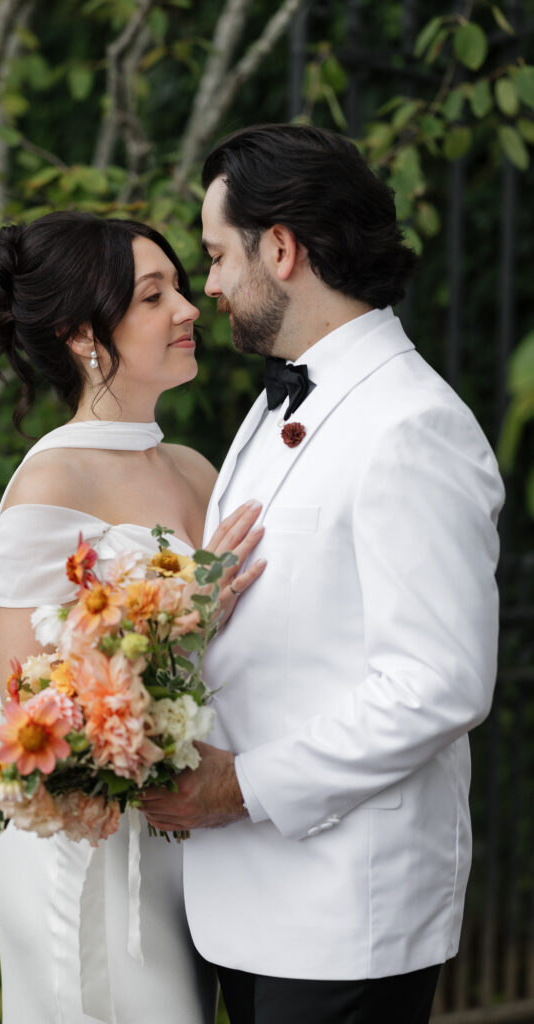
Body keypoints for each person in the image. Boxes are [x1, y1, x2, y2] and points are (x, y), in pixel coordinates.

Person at [140, 124, 505, 1024]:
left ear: (281, 249)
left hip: (347, 908)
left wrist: (242, 785)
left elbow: (439, 682)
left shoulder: (410, 423)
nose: (209, 286)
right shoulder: (278, 400)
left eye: (218, 257)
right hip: (244, 905)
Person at [0, 210, 266, 1024]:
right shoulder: (49, 484)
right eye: (153, 296)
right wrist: (187, 613)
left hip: (194, 838)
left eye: (180, 286)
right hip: (89, 862)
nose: (189, 308)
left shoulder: (198, 467)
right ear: (80, 335)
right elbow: (33, 705)